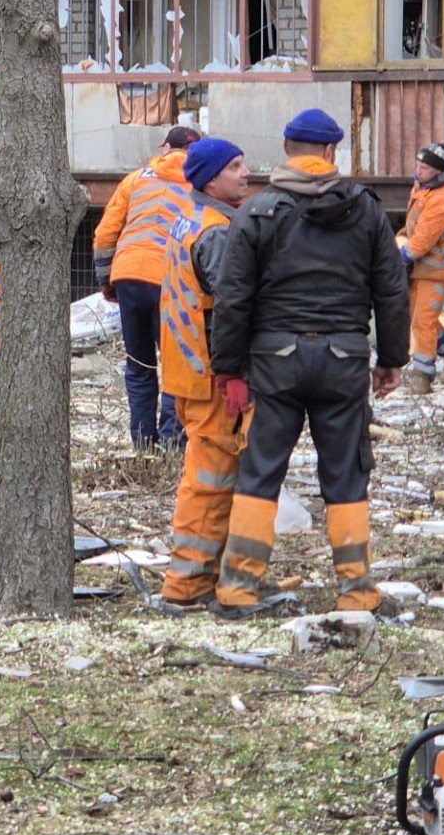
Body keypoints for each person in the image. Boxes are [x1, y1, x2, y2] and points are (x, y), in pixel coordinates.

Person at [209, 109, 409, 618]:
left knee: (260, 472)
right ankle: (357, 591)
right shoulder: (365, 211)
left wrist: (229, 369)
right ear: (329, 153)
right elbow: (391, 290)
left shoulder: (256, 211)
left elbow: (234, 298)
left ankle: (237, 589)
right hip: (343, 358)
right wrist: (392, 359)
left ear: (286, 149)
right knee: (346, 475)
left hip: (274, 360)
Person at [155, 139, 252, 609]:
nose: (245, 173)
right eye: (234, 167)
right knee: (210, 481)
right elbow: (229, 307)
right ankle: (188, 585)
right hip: (210, 376)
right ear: (211, 179)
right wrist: (233, 372)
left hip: (184, 370)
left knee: (206, 476)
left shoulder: (187, 219)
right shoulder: (214, 231)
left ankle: (201, 577)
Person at [92, 126, 200, 450]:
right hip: (170, 281)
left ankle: (142, 444)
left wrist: (106, 279)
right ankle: (171, 444)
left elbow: (104, 233)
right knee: (174, 366)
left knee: (139, 365)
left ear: (165, 147)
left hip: (127, 276)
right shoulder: (199, 183)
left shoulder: (137, 178)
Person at [397, 141, 444, 394]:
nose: (419, 170)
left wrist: (401, 255)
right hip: (425, 267)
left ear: (438, 171)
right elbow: (415, 225)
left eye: (424, 167)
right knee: (422, 317)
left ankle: (422, 377)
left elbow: (422, 241)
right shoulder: (424, 186)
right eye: (418, 164)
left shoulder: (442, 197)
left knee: (423, 320)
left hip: (437, 269)